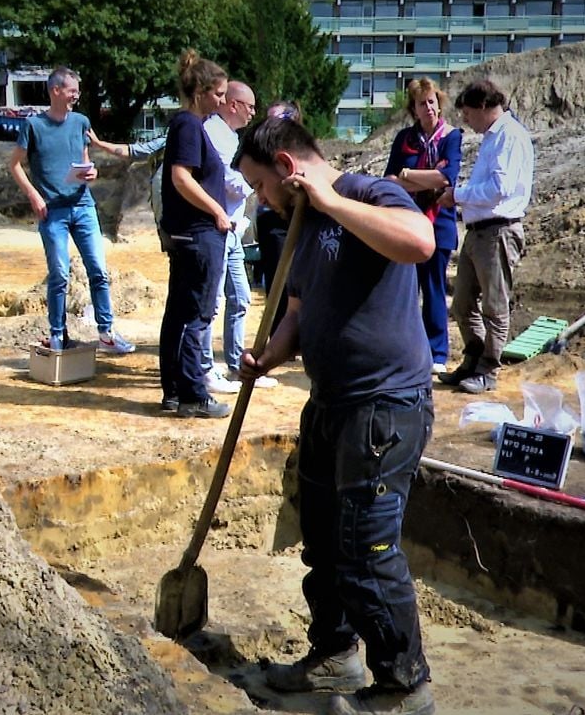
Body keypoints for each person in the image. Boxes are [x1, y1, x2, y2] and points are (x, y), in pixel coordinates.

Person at [234, 117, 438, 715]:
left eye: (260, 185)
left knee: (366, 549)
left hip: (383, 407)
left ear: (287, 167)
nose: (260, 199)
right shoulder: (300, 224)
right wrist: (271, 354)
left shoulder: (370, 193)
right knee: (324, 543)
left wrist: (330, 202)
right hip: (329, 403)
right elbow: (298, 312)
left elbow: (419, 243)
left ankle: (404, 688)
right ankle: (334, 654)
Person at [8, 66, 135, 354]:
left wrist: (91, 173)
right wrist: (34, 195)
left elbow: (84, 160)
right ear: (56, 91)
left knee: (98, 271)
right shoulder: (33, 126)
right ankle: (57, 335)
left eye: (77, 91)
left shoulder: (80, 122)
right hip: (52, 212)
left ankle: (106, 333)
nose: (76, 96)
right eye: (72, 91)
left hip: (83, 206)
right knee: (59, 275)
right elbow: (14, 164)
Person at [436, 80, 534, 395]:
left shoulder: (509, 136)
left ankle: (488, 370)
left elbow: (499, 189)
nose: (466, 120)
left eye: (467, 113)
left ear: (482, 106)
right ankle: (473, 359)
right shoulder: (493, 138)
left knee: (494, 305)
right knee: (462, 303)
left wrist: (457, 194)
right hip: (479, 231)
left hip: (498, 231)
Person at [158, 50, 233, 418]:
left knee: (178, 313)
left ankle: (174, 392)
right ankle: (192, 395)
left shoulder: (187, 125)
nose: (222, 101)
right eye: (218, 94)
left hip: (190, 235)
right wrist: (218, 211)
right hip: (199, 235)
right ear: (200, 92)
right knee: (196, 314)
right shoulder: (189, 126)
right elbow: (181, 177)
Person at [201, 81, 278, 394]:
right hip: (217, 228)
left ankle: (235, 364)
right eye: (250, 107)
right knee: (213, 302)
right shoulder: (213, 133)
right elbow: (230, 181)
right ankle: (204, 368)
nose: (253, 113)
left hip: (233, 230)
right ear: (234, 105)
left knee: (241, 297)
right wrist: (260, 183)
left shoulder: (231, 137)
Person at [384, 78, 463, 376]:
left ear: (439, 104)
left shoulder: (451, 137)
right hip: (407, 222)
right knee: (405, 291)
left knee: (434, 289)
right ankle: (405, 351)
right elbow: (390, 180)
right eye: (421, 103)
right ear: (413, 109)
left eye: (431, 101)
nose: (428, 107)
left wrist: (408, 175)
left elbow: (447, 178)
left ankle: (436, 352)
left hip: (439, 223)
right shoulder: (404, 138)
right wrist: (424, 178)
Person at [253, 101, 303, 335]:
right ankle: (277, 338)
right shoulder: (263, 153)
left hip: (298, 219)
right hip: (272, 220)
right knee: (278, 285)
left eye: (275, 121)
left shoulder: (302, 151)